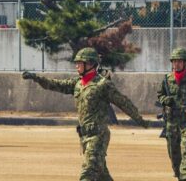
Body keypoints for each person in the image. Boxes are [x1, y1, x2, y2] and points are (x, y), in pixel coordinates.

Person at [24, 48, 148, 181]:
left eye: (79, 63)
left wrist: (139, 119)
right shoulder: (78, 83)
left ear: (90, 64)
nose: (76, 66)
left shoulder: (102, 85)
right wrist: (36, 78)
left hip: (98, 136)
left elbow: (123, 102)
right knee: (101, 175)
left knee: (88, 173)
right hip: (84, 137)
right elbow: (56, 85)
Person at [158, 47, 186, 181]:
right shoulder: (167, 79)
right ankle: (178, 173)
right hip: (171, 122)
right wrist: (165, 100)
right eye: (174, 61)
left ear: (185, 63)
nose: (176, 64)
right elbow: (160, 95)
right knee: (174, 152)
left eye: (179, 61)